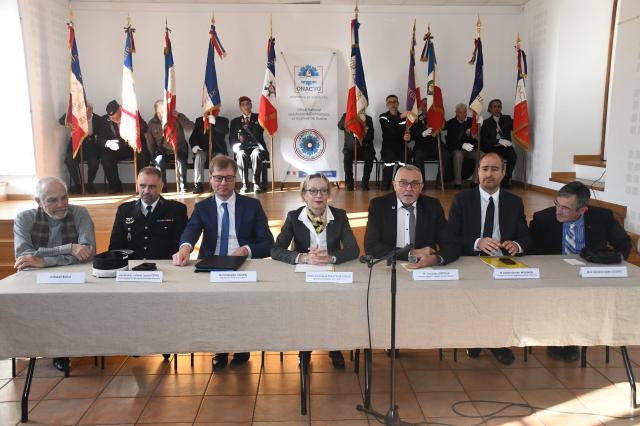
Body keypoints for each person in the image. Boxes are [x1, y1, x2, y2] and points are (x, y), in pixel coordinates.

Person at [173, 155, 274, 370]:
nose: (223, 183)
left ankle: (241, 345)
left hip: (244, 264)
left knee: (241, 304)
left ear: (236, 178)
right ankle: (220, 347)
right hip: (212, 264)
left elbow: (268, 243)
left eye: (228, 178)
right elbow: (191, 230)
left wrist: (245, 250)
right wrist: (185, 248)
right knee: (215, 306)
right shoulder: (203, 207)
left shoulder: (252, 205)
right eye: (218, 178)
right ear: (210, 178)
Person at [529, 181, 631, 362]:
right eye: (557, 204)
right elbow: (531, 251)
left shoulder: (603, 218)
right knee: (560, 295)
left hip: (589, 278)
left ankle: (573, 339)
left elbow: (624, 244)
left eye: (565, 208)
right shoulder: (542, 219)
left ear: (582, 210)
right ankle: (556, 339)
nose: (558, 211)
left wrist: (611, 263)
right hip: (554, 278)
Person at [447, 152, 531, 365]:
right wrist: (477, 242)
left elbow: (526, 236)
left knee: (503, 298)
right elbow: (450, 237)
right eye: (484, 169)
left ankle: (497, 342)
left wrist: (516, 245)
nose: (489, 174)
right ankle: (475, 337)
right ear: (478, 172)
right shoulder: (462, 200)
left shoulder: (514, 202)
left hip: (503, 262)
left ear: (503, 173)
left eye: (494, 169)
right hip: (471, 260)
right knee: (476, 294)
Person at [271, 173, 359, 369]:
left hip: (331, 273)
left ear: (329, 194)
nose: (318, 195)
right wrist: (302, 257)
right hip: (304, 275)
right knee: (306, 307)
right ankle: (305, 349)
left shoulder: (339, 216)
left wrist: (331, 257)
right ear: (304, 194)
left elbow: (353, 250)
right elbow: (275, 250)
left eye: (323, 190)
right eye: (313, 191)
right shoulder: (294, 217)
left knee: (334, 306)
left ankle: (334, 347)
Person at [13, 176, 96, 371]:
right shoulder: (24, 219)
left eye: (64, 197)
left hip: (74, 277)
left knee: (66, 300)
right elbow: (24, 258)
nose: (61, 205)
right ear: (38, 201)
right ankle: (28, 344)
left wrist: (44, 260)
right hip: (35, 279)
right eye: (52, 200)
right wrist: (69, 249)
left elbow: (87, 252)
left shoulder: (80, 214)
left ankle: (63, 350)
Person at [364, 165, 459, 267]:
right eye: (403, 183)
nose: (409, 188)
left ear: (421, 187)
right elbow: (371, 247)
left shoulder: (432, 206)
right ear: (394, 185)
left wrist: (435, 259)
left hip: (425, 268)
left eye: (415, 184)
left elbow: (451, 245)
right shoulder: (379, 206)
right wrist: (411, 253)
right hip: (390, 265)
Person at [109, 166, 188, 260]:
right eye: (142, 186)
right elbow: (115, 245)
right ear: (137, 185)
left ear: (161, 186)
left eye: (152, 186)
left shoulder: (177, 210)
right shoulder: (124, 210)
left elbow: (181, 245)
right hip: (132, 265)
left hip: (165, 265)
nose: (146, 191)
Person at [98, 100, 150, 194]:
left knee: (143, 155)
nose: (114, 119)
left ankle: (141, 185)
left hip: (133, 145)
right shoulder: (104, 120)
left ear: (120, 110)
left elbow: (144, 127)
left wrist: (135, 126)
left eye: (116, 117)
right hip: (117, 148)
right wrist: (108, 143)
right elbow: (100, 138)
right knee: (106, 158)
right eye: (111, 118)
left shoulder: (132, 113)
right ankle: (115, 186)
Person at [146, 100, 194, 193]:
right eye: (158, 112)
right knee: (159, 161)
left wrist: (179, 116)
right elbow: (150, 143)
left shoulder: (176, 117)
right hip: (163, 150)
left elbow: (190, 127)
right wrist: (153, 158)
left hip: (179, 148)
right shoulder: (152, 123)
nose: (161, 115)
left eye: (163, 112)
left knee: (181, 161)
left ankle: (182, 186)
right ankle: (162, 186)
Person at [58, 103, 102, 194]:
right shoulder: (76, 116)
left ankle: (90, 183)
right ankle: (77, 183)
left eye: (86, 112)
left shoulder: (98, 119)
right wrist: (71, 118)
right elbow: (61, 120)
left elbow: (100, 136)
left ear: (91, 110)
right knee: (69, 160)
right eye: (82, 111)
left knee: (94, 162)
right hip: (76, 146)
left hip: (91, 147)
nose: (84, 114)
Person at [229, 97, 269, 193]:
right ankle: (245, 184)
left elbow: (265, 128)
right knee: (240, 155)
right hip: (242, 148)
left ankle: (256, 184)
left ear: (251, 105)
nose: (246, 106)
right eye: (243, 104)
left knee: (256, 154)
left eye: (247, 104)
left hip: (256, 147)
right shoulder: (235, 122)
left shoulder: (259, 118)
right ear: (240, 108)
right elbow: (232, 138)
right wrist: (235, 147)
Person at [410, 98, 451, 185]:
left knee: (446, 155)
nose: (426, 107)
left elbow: (445, 127)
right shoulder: (416, 118)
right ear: (421, 106)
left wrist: (440, 118)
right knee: (417, 156)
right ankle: (421, 183)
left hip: (435, 146)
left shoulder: (436, 116)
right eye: (424, 105)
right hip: (421, 147)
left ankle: (440, 182)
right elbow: (412, 135)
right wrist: (422, 134)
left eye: (427, 105)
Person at [480, 99, 517, 188]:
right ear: (490, 109)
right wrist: (498, 141)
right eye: (495, 107)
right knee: (494, 160)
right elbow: (484, 140)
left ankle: (505, 180)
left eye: (499, 107)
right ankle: (492, 180)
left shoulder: (507, 119)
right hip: (492, 147)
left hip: (505, 146)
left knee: (513, 156)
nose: (497, 109)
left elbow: (517, 127)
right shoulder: (486, 122)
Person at [189, 114, 230, 194]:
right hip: (203, 149)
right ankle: (198, 184)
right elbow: (193, 137)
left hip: (218, 150)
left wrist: (215, 122)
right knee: (199, 156)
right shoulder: (199, 120)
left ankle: (219, 183)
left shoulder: (223, 120)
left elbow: (225, 131)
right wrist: (195, 146)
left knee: (220, 159)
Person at [444, 103, 480, 189]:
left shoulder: (472, 122)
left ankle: (475, 181)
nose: (463, 114)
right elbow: (450, 141)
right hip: (457, 149)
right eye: (460, 112)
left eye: (465, 112)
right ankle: (458, 183)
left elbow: (477, 138)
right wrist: (462, 145)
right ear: (456, 112)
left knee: (482, 155)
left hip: (470, 150)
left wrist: (479, 127)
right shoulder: (451, 123)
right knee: (458, 155)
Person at [338, 113, 375, 191]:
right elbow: (340, 126)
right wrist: (349, 116)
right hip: (350, 148)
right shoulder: (347, 116)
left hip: (364, 148)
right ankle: (349, 184)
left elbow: (371, 136)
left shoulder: (368, 119)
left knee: (369, 156)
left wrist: (361, 134)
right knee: (347, 158)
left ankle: (365, 183)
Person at [379, 95, 408, 190]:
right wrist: (401, 117)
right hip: (388, 147)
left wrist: (407, 137)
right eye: (390, 102)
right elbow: (388, 128)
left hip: (401, 146)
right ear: (387, 105)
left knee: (405, 157)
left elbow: (405, 132)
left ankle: (397, 182)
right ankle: (386, 183)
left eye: (395, 102)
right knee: (389, 158)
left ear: (398, 103)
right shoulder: (383, 116)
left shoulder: (405, 118)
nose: (393, 104)